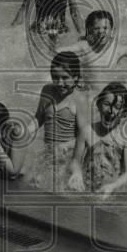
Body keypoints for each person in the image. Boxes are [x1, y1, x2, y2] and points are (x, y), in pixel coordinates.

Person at [27, 52, 90, 188]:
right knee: (33, 185)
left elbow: (84, 137)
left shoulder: (80, 100)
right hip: (47, 154)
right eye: (55, 77)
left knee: (58, 190)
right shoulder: (47, 91)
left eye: (65, 78)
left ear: (76, 77)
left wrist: (66, 146)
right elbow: (39, 118)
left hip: (67, 157)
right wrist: (26, 131)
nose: (60, 82)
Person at [54, 9, 127, 90]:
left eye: (105, 28)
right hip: (89, 94)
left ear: (112, 30)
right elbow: (59, 51)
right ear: (89, 30)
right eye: (96, 28)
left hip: (109, 95)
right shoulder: (84, 47)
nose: (101, 32)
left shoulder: (118, 50)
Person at [67, 82, 127, 195]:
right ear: (98, 104)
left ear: (124, 113)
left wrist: (113, 186)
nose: (110, 111)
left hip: (112, 189)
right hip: (87, 186)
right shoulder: (87, 131)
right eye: (106, 104)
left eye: (117, 107)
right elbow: (75, 160)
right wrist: (76, 173)